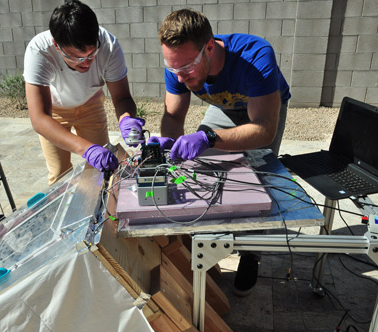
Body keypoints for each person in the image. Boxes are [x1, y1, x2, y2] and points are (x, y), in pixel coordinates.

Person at [152, 9, 291, 296]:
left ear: (210, 48)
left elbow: (263, 129)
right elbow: (174, 118)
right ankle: (211, 238)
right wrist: (170, 150)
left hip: (264, 110)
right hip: (224, 107)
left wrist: (209, 137)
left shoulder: (255, 57)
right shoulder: (179, 65)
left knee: (257, 181)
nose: (179, 78)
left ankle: (251, 254)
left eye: (187, 68)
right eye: (172, 69)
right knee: (200, 168)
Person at [23, 0, 145, 185]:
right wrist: (87, 149)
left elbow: (122, 98)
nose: (86, 62)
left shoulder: (108, 45)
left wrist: (126, 119)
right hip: (54, 113)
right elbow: (39, 118)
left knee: (101, 171)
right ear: (57, 46)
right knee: (60, 175)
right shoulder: (39, 50)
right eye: (77, 57)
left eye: (91, 54)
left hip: (91, 105)